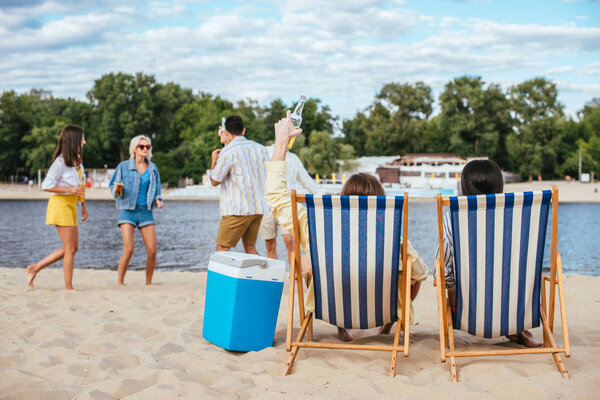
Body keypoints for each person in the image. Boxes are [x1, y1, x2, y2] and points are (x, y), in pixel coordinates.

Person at [265, 111, 428, 342]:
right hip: (379, 306)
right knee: (408, 271)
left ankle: (341, 325)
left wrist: (281, 142)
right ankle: (388, 321)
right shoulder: (392, 239)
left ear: (343, 198)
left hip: (333, 305)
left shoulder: (318, 228)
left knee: (315, 265)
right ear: (380, 204)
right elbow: (421, 274)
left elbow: (276, 196)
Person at [434, 159, 542, 347]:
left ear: (465, 186)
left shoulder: (453, 218)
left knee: (451, 283)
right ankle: (519, 329)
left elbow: (441, 271)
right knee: (512, 277)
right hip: (515, 309)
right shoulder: (519, 218)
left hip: (469, 311)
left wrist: (452, 284)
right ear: (499, 184)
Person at [27, 124, 88, 290]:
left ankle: (35, 267)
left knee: (73, 247)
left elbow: (80, 185)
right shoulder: (60, 162)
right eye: (82, 138)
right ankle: (69, 288)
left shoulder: (78, 162)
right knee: (70, 248)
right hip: (60, 205)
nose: (84, 142)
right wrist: (69, 189)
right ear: (74, 140)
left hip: (72, 205)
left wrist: (83, 205)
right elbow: (46, 185)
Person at [109, 135, 163, 285]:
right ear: (134, 149)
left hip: (146, 211)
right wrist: (116, 190)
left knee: (152, 251)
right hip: (127, 210)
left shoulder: (153, 168)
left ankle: (148, 283)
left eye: (148, 146)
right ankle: (120, 282)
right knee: (129, 249)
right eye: (142, 146)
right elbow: (113, 187)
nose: (145, 149)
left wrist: (158, 200)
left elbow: (157, 190)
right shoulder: (123, 167)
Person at [210, 115, 269, 254]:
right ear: (243, 130)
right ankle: (261, 274)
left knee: (222, 249)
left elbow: (214, 180)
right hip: (258, 208)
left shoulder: (228, 152)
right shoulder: (260, 149)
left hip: (236, 210)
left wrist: (213, 160)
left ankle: (221, 277)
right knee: (250, 248)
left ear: (227, 133)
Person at [259, 144, 321, 263]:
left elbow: (307, 182)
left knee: (290, 241)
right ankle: (275, 275)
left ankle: (294, 274)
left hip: (287, 206)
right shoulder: (264, 152)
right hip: (267, 205)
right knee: (269, 244)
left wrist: (325, 199)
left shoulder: (294, 159)